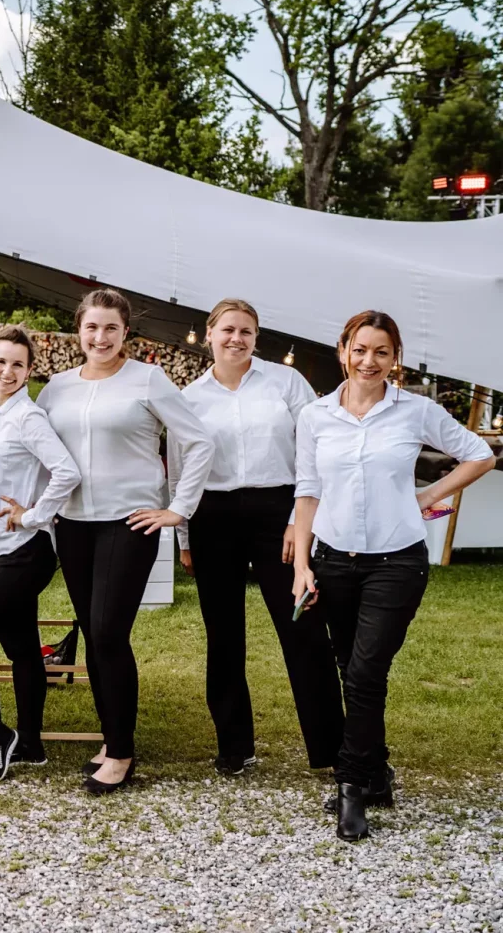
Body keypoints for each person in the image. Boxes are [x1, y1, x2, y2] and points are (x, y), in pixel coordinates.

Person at [292, 311, 493, 841]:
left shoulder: (415, 411)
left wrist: (427, 495)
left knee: (364, 673)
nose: (369, 361)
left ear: (394, 358)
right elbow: (307, 490)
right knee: (350, 668)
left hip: (396, 563)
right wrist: (302, 565)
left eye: (381, 352)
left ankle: (351, 786)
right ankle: (377, 772)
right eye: (360, 349)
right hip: (333, 561)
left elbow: (479, 455)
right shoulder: (315, 416)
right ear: (343, 351)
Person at [39, 288, 214, 794]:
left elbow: (198, 440)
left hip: (129, 523)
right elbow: (34, 446)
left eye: (111, 328)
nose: (100, 337)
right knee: (95, 635)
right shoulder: (56, 387)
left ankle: (120, 752)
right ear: (79, 329)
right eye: (92, 327)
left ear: (125, 333)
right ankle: (111, 736)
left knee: (108, 632)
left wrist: (179, 508)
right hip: (73, 524)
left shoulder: (148, 379)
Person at [173, 299, 343, 777]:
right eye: (228, 330)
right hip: (213, 516)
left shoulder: (286, 382)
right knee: (223, 633)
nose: (237, 339)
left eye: (246, 331)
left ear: (256, 337)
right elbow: (181, 473)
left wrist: (298, 520)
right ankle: (234, 746)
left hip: (279, 513)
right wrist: (184, 538)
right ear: (209, 334)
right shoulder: (189, 398)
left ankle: (332, 749)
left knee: (303, 626)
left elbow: (315, 450)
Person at [0, 326, 81, 782]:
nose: (7, 371)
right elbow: (0, 468)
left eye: (17, 365)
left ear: (29, 371)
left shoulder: (28, 416)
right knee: (23, 647)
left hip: (25, 549)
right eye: (1, 361)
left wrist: (33, 515)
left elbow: (67, 472)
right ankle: (31, 743)